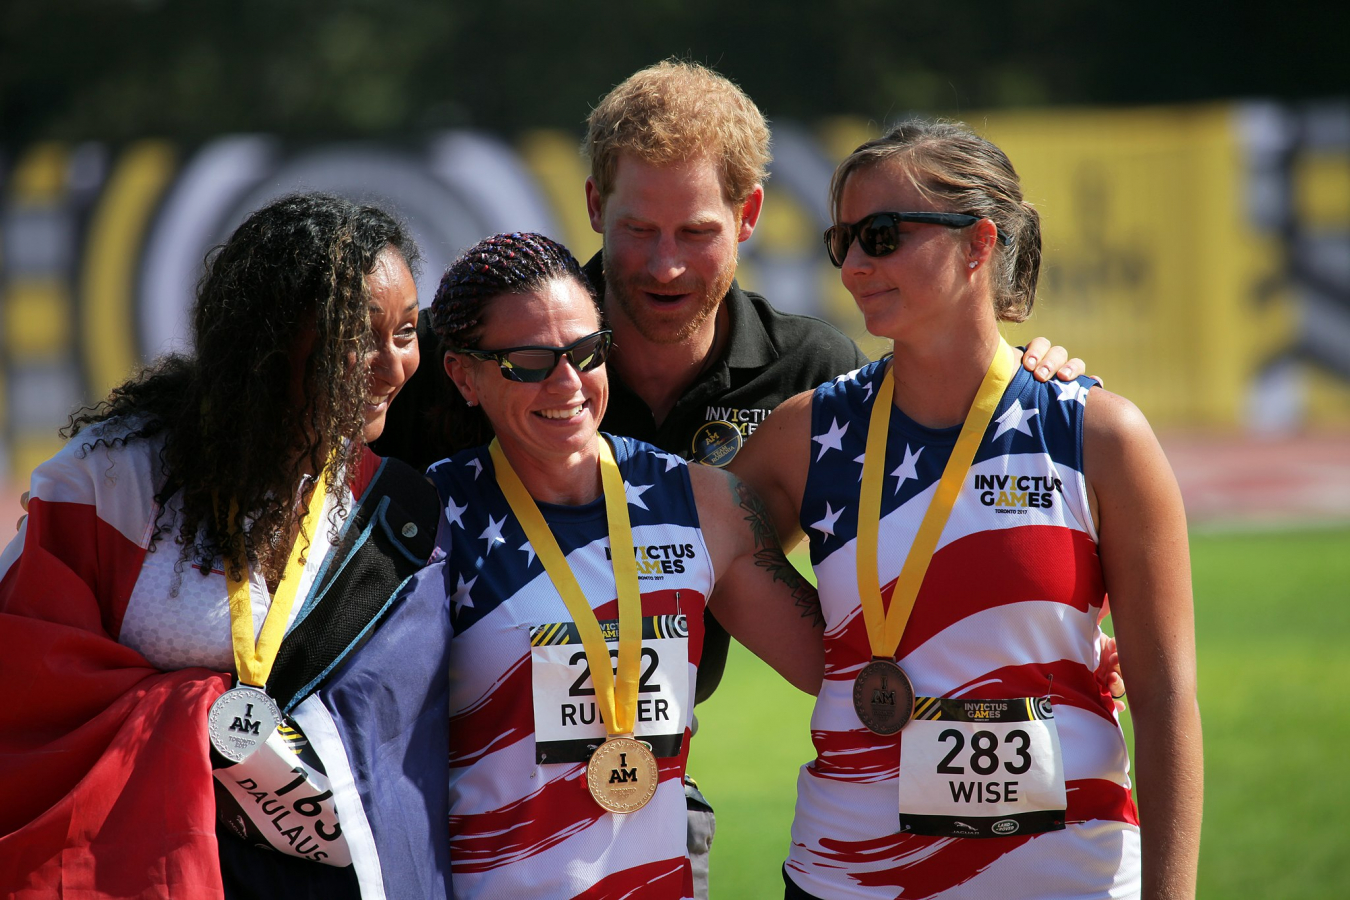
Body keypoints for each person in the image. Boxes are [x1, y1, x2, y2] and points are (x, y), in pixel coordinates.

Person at [371, 60, 1087, 898]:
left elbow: (928, 524)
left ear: (749, 217)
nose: (665, 267)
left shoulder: (813, 377)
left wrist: (1033, 376)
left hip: (651, 788)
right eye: (638, 230)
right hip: (449, 798)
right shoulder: (478, 348)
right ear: (596, 207)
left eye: (696, 233)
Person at [730, 120, 1203, 899]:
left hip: (1067, 879)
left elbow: (1165, 697)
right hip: (851, 879)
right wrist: (838, 663)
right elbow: (682, 549)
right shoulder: (807, 434)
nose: (852, 266)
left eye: (880, 235)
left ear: (979, 244)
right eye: (840, 239)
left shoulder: (1100, 435)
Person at [0, 193, 445, 899]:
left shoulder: (395, 508)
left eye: (407, 332)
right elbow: (24, 675)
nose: (391, 367)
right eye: (357, 337)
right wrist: (193, 714)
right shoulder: (118, 477)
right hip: (153, 870)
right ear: (271, 341)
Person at [405, 231, 825, 899]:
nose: (567, 383)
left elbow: (838, 667)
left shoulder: (702, 502)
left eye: (584, 352)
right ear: (464, 375)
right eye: (529, 362)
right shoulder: (424, 521)